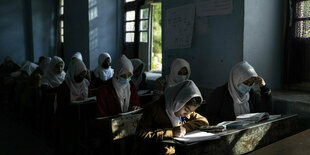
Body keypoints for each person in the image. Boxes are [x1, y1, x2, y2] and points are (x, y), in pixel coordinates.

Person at [134, 80, 209, 154]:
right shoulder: (153, 109)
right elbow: (141, 135)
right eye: (186, 110)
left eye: (191, 111)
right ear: (178, 101)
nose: (187, 114)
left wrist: (185, 129)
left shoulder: (185, 113)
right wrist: (171, 132)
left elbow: (203, 121)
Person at [204, 61, 272, 125]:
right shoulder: (219, 94)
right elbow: (210, 118)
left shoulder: (251, 94)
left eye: (251, 83)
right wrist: (231, 124)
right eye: (246, 83)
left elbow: (265, 113)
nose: (248, 86)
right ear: (236, 80)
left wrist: (264, 88)